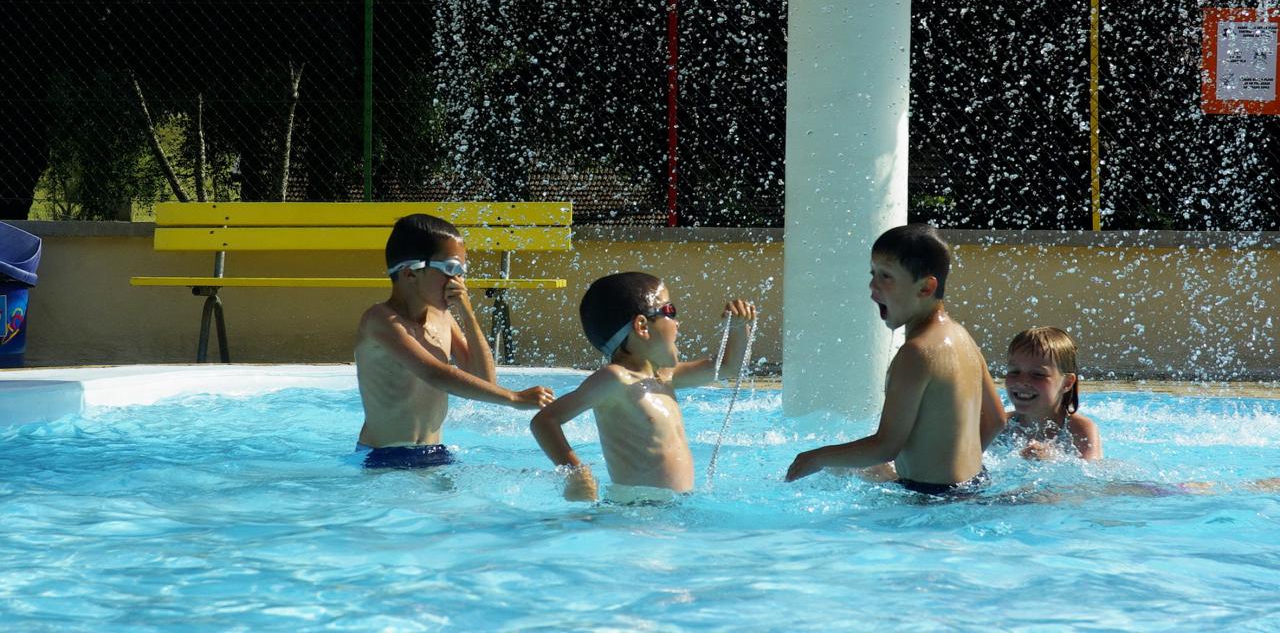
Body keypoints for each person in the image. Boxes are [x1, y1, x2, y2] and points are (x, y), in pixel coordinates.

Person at [785, 224, 1005, 496]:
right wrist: (953, 466)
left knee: (827, 469)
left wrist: (814, 457)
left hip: (931, 500)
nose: (872, 285)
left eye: (885, 276)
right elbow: (996, 420)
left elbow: (885, 447)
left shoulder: (917, 352)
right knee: (850, 468)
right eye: (873, 273)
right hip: (973, 484)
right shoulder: (962, 336)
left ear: (925, 287)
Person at [530, 271, 755, 501]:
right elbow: (544, 421)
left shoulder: (666, 376)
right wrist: (576, 473)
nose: (677, 323)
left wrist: (739, 328)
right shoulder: (616, 379)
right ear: (642, 326)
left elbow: (729, 368)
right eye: (670, 311)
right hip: (634, 514)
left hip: (675, 508)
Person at [353, 213, 555, 469]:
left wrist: (467, 312)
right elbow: (434, 374)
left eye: (462, 271)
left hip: (435, 453)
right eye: (450, 269)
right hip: (382, 458)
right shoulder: (380, 320)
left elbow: (485, 380)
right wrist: (514, 398)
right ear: (410, 273)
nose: (458, 282)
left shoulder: (443, 317)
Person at [995, 326, 1102, 461]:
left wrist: (1054, 459)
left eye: (1038, 374)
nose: (1022, 381)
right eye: (1014, 372)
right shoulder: (999, 425)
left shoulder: (1081, 430)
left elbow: (1091, 476)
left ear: (1067, 383)